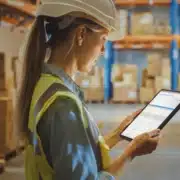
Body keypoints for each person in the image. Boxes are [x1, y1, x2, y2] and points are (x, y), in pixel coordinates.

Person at [17, 0, 160, 179]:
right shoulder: (63, 103)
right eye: (103, 39)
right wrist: (131, 152)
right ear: (81, 34)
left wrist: (118, 134)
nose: (102, 50)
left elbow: (72, 155)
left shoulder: (45, 85)